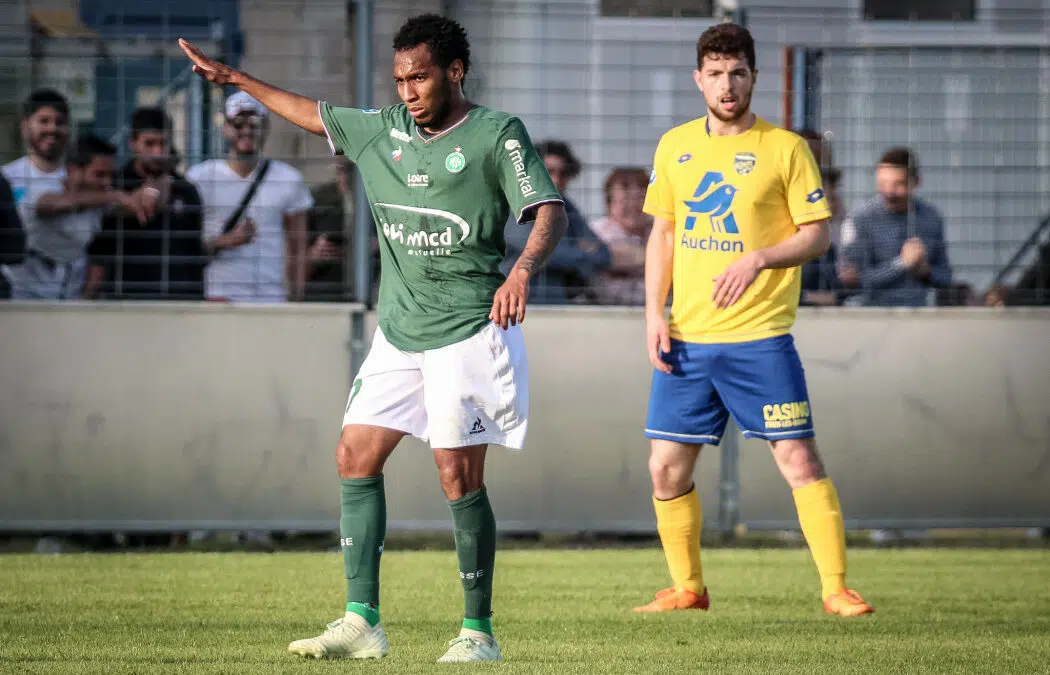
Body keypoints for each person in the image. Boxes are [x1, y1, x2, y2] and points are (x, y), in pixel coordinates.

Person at [179, 11, 568, 663]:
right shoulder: (380, 130)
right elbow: (309, 113)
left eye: (420, 78)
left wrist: (522, 270)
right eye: (400, 80)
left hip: (469, 330)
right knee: (353, 455)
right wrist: (236, 80)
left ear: (455, 71)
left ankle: (478, 631)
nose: (408, 92)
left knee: (456, 474)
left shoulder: (497, 134)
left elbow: (549, 211)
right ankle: (362, 621)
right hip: (399, 329)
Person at [636, 23, 873, 617]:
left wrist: (760, 258)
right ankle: (689, 588)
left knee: (799, 460)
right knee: (665, 468)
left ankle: (836, 588)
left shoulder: (785, 148)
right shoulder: (675, 146)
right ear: (699, 79)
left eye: (738, 73)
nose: (727, 85)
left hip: (759, 338)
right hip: (687, 340)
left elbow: (816, 235)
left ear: (754, 77)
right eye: (716, 74)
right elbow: (663, 234)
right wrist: (653, 313)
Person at [186, 91, 313, 302]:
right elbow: (184, 244)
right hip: (217, 298)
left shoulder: (288, 179)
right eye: (238, 123)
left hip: (270, 299)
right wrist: (224, 241)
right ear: (226, 128)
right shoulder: (200, 177)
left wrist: (296, 298)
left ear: (266, 128)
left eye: (254, 123)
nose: (246, 130)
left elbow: (298, 246)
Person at [85, 106, 205, 300]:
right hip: (124, 300)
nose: (157, 152)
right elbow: (98, 251)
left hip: (177, 301)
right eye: (149, 144)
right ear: (132, 143)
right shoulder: (115, 184)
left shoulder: (186, 191)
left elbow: (194, 253)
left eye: (163, 143)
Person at [838, 147, 952, 306]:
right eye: (883, 183)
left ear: (916, 181)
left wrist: (926, 272)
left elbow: (946, 277)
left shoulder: (931, 218)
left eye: (898, 184)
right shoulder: (860, 219)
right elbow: (852, 282)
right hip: (870, 312)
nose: (889, 192)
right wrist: (902, 263)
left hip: (919, 312)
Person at [503, 139, 610, 303]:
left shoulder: (566, 206)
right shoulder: (515, 205)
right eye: (549, 172)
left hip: (559, 303)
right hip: (515, 303)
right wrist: (581, 253)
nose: (556, 180)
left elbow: (604, 255)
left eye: (563, 173)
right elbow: (541, 252)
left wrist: (563, 254)